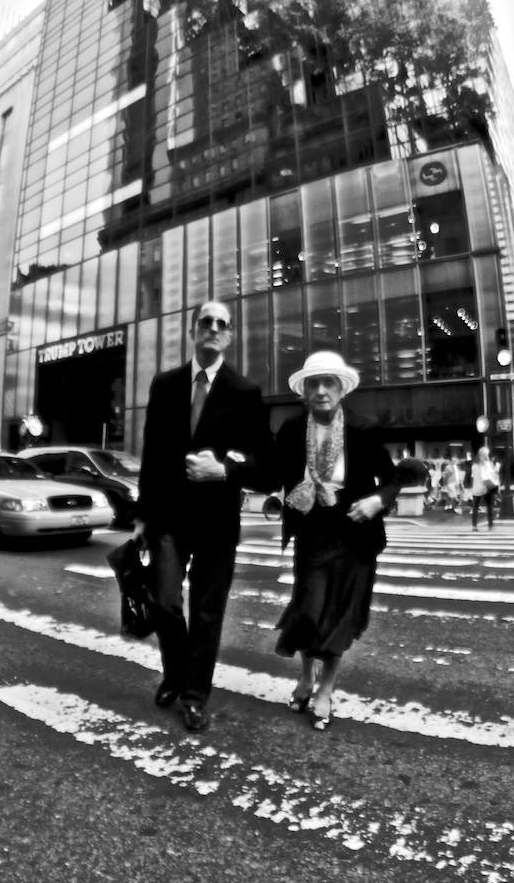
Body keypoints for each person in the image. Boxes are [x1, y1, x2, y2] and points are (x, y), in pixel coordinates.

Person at [133, 300, 275, 732]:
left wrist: (225, 470)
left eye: (222, 324)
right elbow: (152, 454)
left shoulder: (245, 392)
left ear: (229, 335)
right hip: (169, 517)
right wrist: (142, 515)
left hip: (217, 520)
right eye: (206, 322)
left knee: (208, 612)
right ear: (193, 331)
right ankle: (176, 672)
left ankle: (193, 695)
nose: (213, 329)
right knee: (163, 601)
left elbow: (268, 468)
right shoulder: (166, 384)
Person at [273, 351, 400, 732]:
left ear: (341, 389)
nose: (322, 390)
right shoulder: (292, 429)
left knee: (339, 616)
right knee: (310, 611)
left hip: (354, 532)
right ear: (304, 392)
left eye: (329, 383)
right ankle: (306, 677)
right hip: (312, 532)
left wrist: (378, 501)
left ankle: (324, 689)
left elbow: (393, 481)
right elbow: (276, 473)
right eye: (314, 383)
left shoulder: (364, 428)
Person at [470, 446, 500, 530]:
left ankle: (474, 526)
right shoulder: (487, 465)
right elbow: (492, 475)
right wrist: (496, 468)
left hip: (476, 488)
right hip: (486, 488)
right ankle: (490, 526)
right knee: (489, 507)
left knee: (475, 507)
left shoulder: (474, 466)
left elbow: (472, 478)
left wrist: (471, 488)